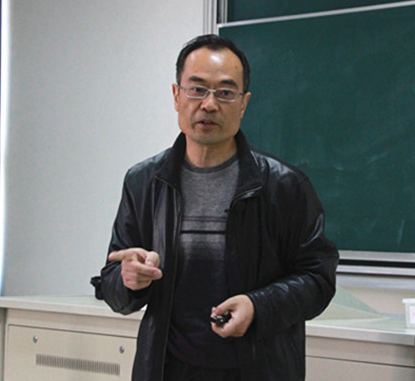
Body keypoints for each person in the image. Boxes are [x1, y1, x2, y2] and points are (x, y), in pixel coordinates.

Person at [100, 34, 339, 381]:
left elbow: (318, 279)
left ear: (243, 104)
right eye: (197, 89)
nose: (209, 104)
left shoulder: (283, 186)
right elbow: (113, 281)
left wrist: (257, 306)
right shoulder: (144, 182)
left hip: (258, 370)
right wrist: (129, 281)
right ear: (176, 96)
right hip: (167, 369)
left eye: (225, 92)